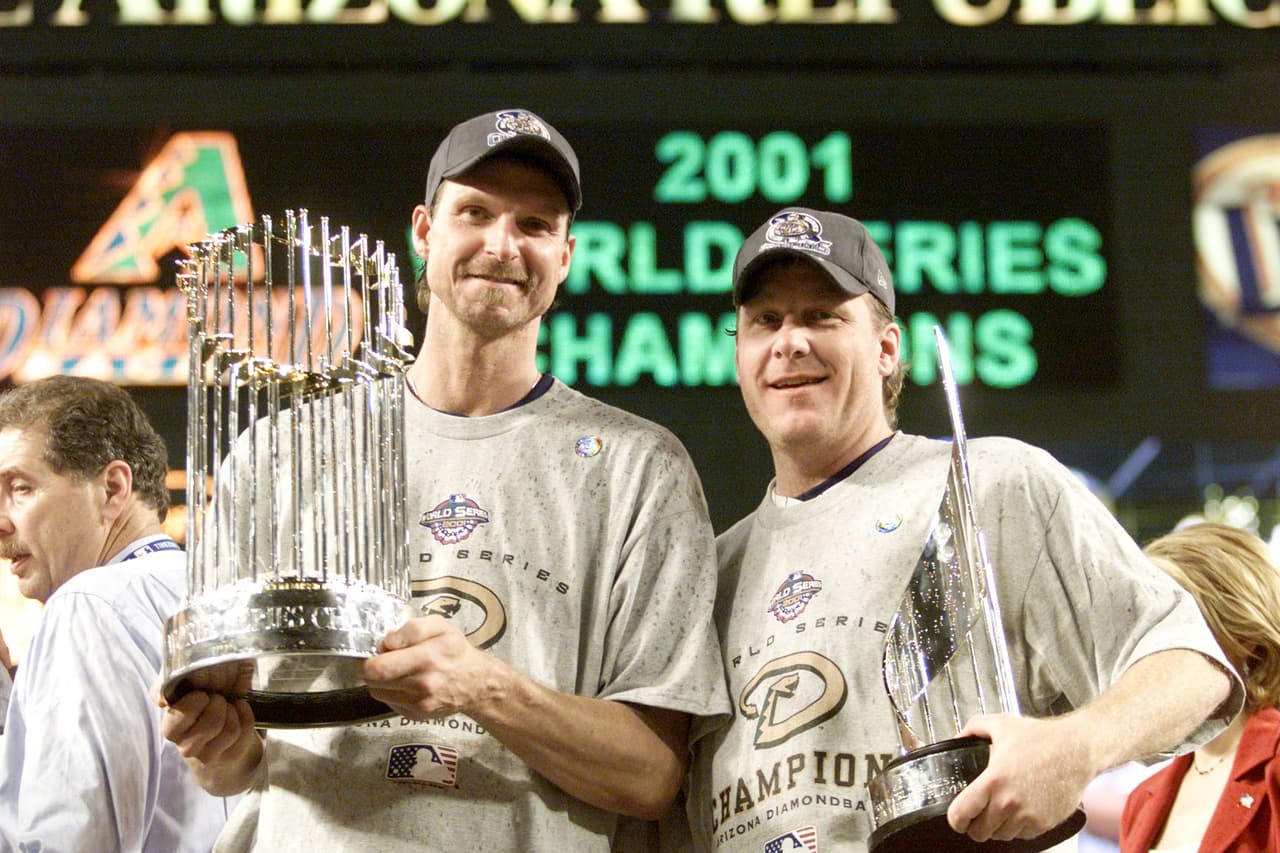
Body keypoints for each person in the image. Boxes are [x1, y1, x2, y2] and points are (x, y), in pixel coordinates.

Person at [159, 108, 730, 851]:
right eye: (476, 213)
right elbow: (232, 767)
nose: (502, 244)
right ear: (425, 233)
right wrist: (214, 740)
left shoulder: (638, 467)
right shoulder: (281, 450)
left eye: (534, 224)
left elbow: (652, 776)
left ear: (565, 255)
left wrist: (482, 687)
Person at [686, 207, 1243, 852]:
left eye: (822, 315)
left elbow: (1194, 670)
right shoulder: (713, 573)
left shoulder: (994, 484)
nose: (790, 341)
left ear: (887, 348)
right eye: (765, 321)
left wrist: (1075, 745)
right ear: (738, 353)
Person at [0, 375, 234, 851]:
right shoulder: (217, 593)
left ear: (111, 488)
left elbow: (68, 841)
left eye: (20, 488)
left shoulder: (88, 603)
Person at [1121, 522, 1280, 852]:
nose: (1143, 650)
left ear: (1241, 635)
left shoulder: (1273, 768)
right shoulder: (1142, 801)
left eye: (1168, 628)